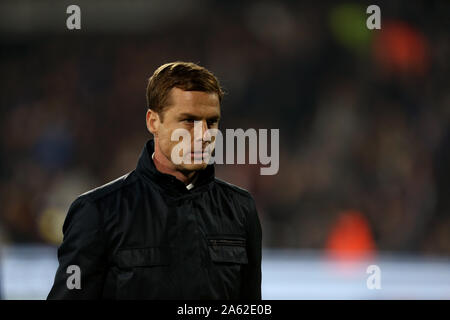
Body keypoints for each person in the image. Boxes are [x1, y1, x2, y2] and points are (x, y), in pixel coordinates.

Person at [47, 61, 262, 299]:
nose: (203, 135)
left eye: (211, 122)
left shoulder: (241, 210)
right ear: (153, 122)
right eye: (188, 121)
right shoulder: (98, 212)